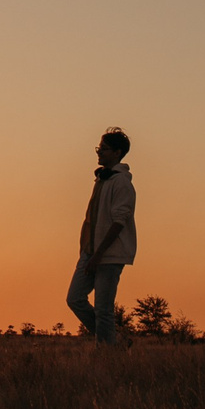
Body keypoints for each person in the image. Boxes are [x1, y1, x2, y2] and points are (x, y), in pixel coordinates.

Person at [66, 128, 136, 346]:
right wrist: (89, 252)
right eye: (99, 148)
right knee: (75, 299)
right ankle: (114, 341)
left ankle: (106, 351)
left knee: (104, 308)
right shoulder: (103, 179)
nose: (99, 153)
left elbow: (119, 222)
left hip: (109, 254)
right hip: (89, 250)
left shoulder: (121, 182)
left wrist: (99, 254)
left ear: (117, 152)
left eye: (104, 149)